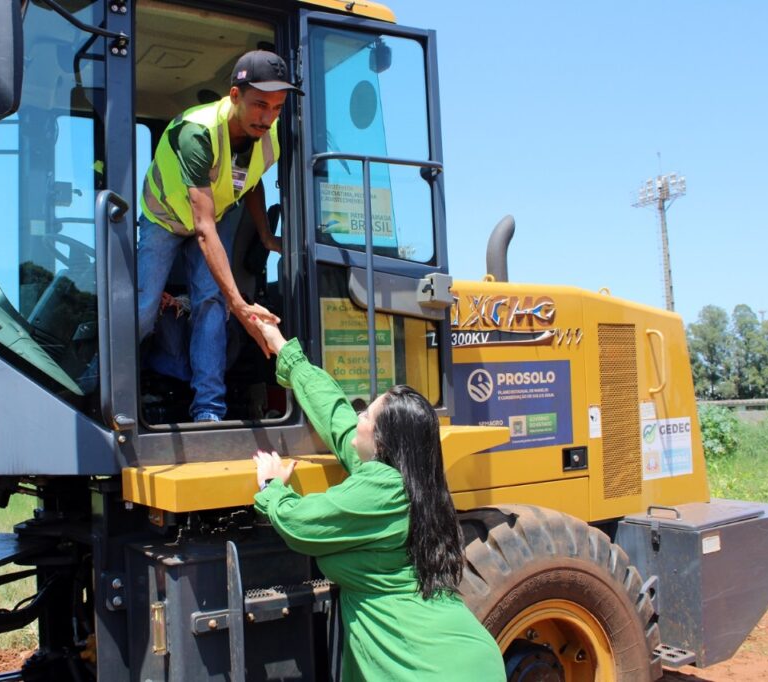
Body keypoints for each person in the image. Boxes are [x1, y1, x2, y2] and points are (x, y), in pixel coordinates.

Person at [251, 319, 506, 681]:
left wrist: (272, 489)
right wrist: (286, 353)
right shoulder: (407, 475)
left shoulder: (382, 488)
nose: (358, 416)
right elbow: (337, 416)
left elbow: (301, 524)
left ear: (384, 440)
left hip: (432, 669)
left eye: (367, 415)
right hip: (460, 655)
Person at [136, 50, 302, 422]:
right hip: (164, 216)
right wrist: (240, 307)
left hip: (219, 210)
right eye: (260, 105)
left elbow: (252, 181)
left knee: (210, 303)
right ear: (234, 96)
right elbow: (203, 227)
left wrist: (265, 235)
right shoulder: (197, 133)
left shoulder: (268, 134)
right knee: (144, 309)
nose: (269, 116)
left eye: (277, 107)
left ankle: (208, 410)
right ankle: (113, 392)